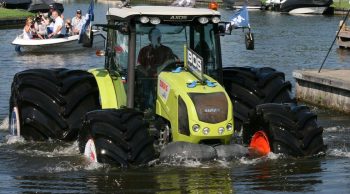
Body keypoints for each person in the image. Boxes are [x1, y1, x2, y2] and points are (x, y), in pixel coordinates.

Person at [137, 28, 175, 109]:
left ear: (160, 37)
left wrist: (160, 71)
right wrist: (147, 74)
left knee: (162, 97)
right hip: (147, 78)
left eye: (158, 36)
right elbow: (139, 65)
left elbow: (172, 63)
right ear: (149, 38)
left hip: (163, 80)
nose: (157, 38)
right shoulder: (144, 50)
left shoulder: (167, 50)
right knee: (146, 95)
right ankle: (146, 110)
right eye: (154, 36)